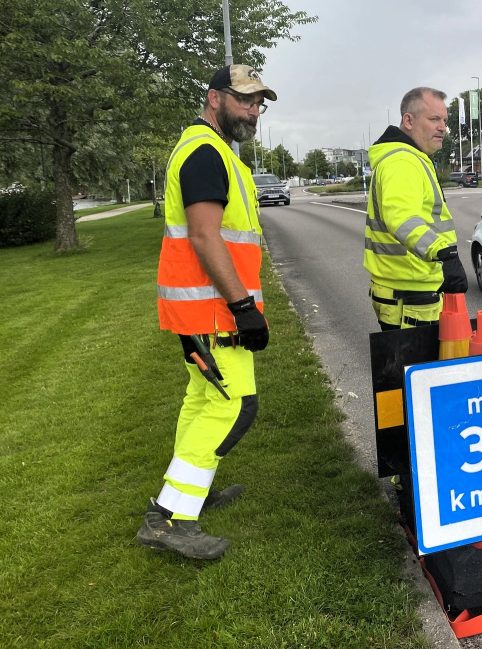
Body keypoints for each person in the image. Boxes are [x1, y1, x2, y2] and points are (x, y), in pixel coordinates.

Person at [137, 64, 276, 561]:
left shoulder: (212, 150)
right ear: (214, 98)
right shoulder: (204, 152)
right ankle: (172, 520)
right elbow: (203, 235)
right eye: (244, 100)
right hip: (214, 313)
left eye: (260, 102)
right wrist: (243, 307)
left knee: (202, 402)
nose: (254, 111)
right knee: (233, 406)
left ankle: (183, 494)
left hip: (200, 311)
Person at [363, 87, 468, 331]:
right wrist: (444, 254)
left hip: (409, 288)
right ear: (408, 121)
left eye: (444, 120)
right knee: (416, 369)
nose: (442, 127)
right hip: (409, 294)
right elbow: (401, 218)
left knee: (412, 369)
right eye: (434, 119)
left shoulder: (410, 157)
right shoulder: (402, 161)